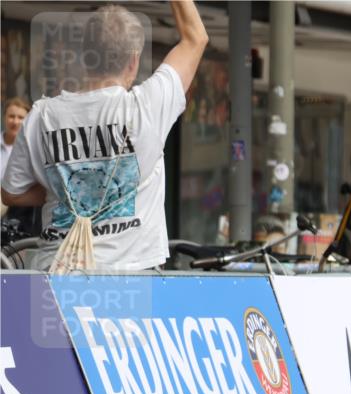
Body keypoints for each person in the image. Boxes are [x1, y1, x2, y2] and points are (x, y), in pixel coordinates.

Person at [1, 1, 208, 271]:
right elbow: (196, 38)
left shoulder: (41, 116)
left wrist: (67, 191)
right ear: (134, 60)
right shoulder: (146, 107)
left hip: (52, 275)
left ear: (84, 57)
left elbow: (11, 193)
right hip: (128, 279)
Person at [0, 97, 34, 228]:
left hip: (21, 212)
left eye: (20, 117)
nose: (15, 121)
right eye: (11, 116)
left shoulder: (31, 150)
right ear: (4, 117)